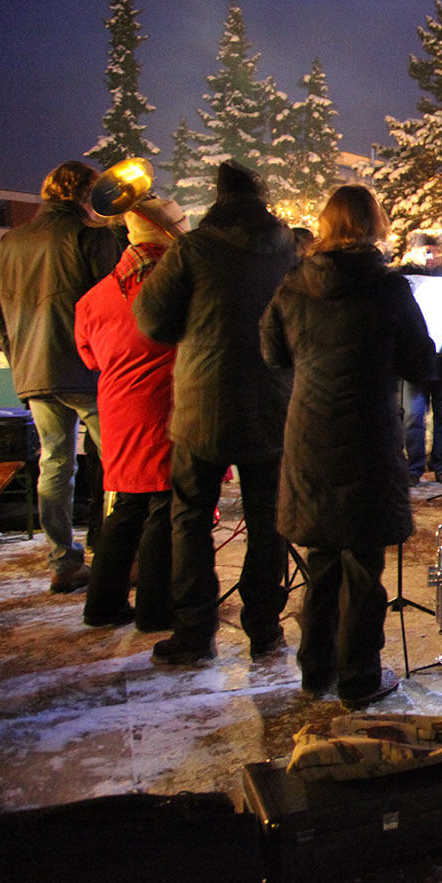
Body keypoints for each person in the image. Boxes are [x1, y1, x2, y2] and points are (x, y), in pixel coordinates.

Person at [261, 186, 436, 708]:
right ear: (376, 226)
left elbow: (271, 351)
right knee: (363, 562)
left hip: (310, 430)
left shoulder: (293, 283)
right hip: (367, 432)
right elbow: (420, 363)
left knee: (320, 557)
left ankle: (315, 671)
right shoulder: (388, 288)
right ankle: (359, 675)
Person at [133, 160, 296, 666]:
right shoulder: (287, 247)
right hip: (273, 399)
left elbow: (152, 320)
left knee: (190, 517)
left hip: (205, 401)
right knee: (269, 520)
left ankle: (193, 632)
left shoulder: (194, 249)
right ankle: (265, 629)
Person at [0, 159, 123, 592]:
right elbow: (115, 298)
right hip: (87, 369)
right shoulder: (89, 236)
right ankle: (117, 556)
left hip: (36, 372)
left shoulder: (9, 242)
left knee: (55, 463)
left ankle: (63, 561)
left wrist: (19, 354)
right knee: (119, 464)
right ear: (85, 195)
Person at [73, 194, 188, 629]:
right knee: (164, 506)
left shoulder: (94, 298)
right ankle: (157, 610)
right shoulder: (177, 285)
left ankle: (102, 605)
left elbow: (90, 357)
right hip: (166, 404)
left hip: (118, 409)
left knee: (126, 506)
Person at [396, 231, 442, 485]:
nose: (431, 256)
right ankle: (414, 468)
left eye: (435, 251)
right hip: (414, 361)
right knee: (414, 417)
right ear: (413, 251)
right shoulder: (401, 279)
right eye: (425, 251)